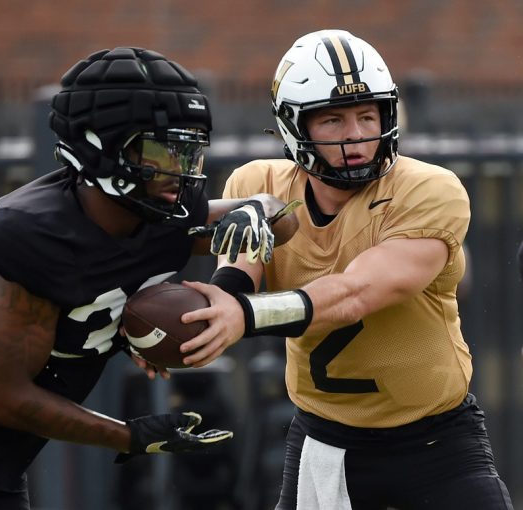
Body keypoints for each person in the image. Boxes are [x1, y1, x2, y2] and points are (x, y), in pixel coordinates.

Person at [0, 47, 298, 509]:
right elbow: (2, 397)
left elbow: (284, 220)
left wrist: (256, 210)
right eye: (162, 150)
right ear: (100, 146)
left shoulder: (163, 212)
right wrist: (129, 436)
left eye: (188, 151)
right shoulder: (34, 235)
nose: (179, 170)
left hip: (0, 462)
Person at [178, 30, 514, 509]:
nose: (356, 134)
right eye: (333, 119)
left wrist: (243, 317)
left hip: (436, 447)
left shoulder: (429, 190)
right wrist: (178, 326)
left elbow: (356, 293)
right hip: (325, 443)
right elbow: (233, 283)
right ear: (294, 126)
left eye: (366, 115)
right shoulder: (258, 184)